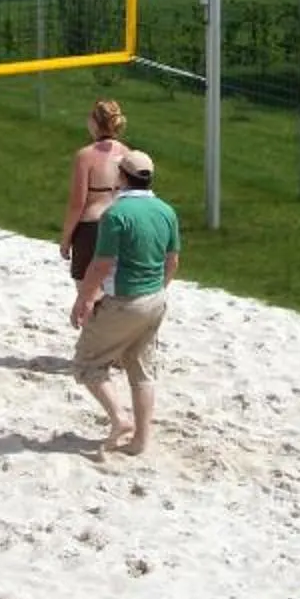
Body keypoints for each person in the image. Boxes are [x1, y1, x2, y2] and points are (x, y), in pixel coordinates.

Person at [73, 147, 181, 456]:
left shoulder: (116, 214)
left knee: (86, 364)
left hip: (124, 300)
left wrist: (85, 299)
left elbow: (101, 265)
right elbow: (172, 261)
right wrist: (157, 290)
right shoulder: (166, 211)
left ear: (121, 177)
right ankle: (140, 441)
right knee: (141, 371)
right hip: (156, 300)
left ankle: (120, 419)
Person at [58, 96, 130, 289]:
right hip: (120, 226)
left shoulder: (85, 156)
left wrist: (65, 239)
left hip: (92, 227)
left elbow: (77, 204)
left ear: (94, 122)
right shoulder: (127, 153)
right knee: (113, 292)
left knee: (86, 293)